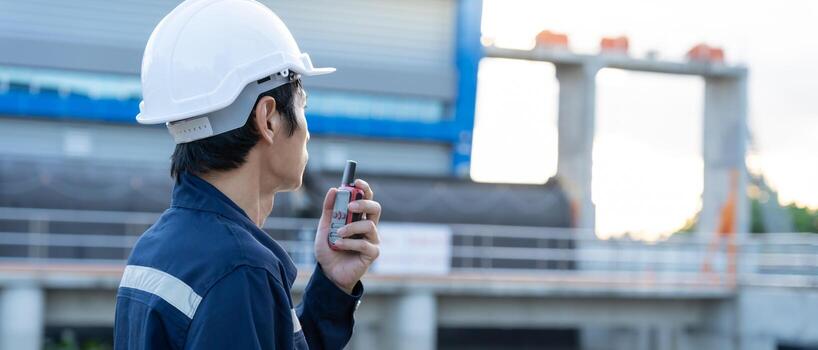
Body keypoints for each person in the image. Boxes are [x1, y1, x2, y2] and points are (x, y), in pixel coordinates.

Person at [113, 1, 382, 349]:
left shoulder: (156, 247)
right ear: (268, 118)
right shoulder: (240, 269)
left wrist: (333, 283)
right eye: (303, 104)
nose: (307, 130)